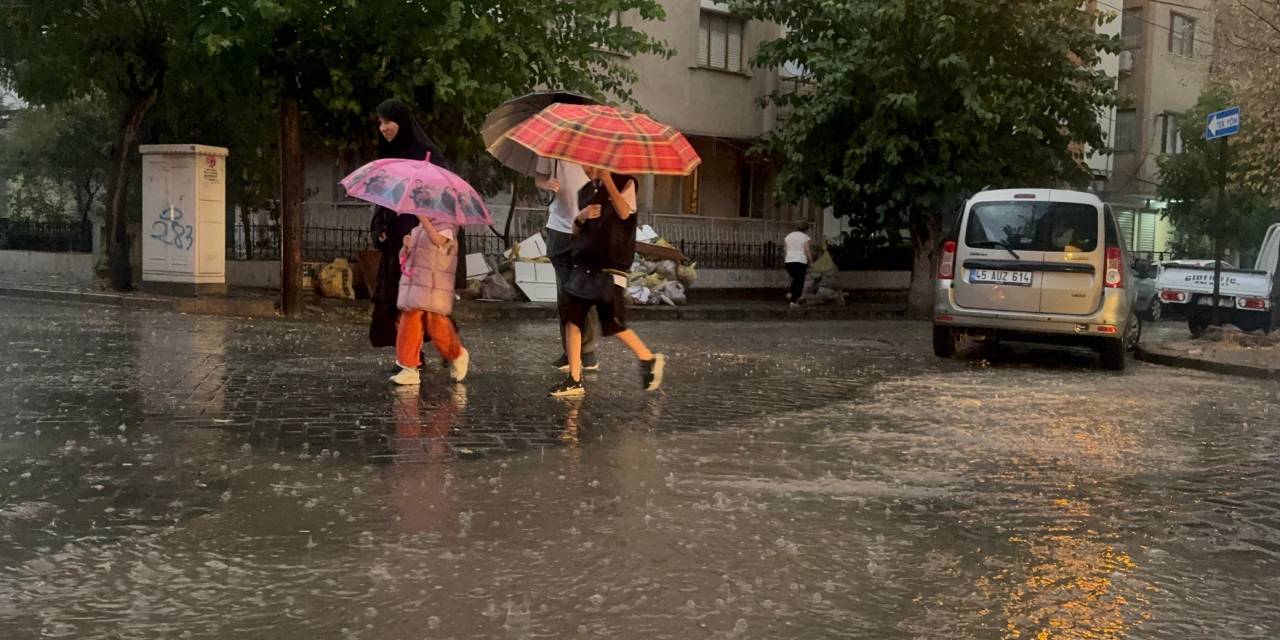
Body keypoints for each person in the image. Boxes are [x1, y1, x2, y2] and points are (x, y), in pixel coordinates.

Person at [549, 167, 665, 398]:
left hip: (610, 266)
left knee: (612, 323)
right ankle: (574, 378)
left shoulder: (626, 182)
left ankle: (648, 358)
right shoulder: (585, 191)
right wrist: (581, 217)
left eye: (593, 164)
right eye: (584, 164)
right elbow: (575, 231)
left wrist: (609, 181)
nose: (587, 168)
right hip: (584, 264)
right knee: (572, 317)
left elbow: (624, 212)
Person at [369, 98, 450, 353]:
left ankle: (444, 350)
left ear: (401, 122)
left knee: (417, 302)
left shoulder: (424, 153)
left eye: (388, 121)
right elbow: (386, 195)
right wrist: (382, 223)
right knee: (397, 298)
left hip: (419, 234)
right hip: (396, 237)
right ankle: (411, 355)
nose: (383, 128)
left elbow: (438, 197)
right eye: (380, 122)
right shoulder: (389, 153)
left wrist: (419, 228)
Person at [535, 158, 600, 373]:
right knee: (564, 294)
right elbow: (539, 178)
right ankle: (569, 351)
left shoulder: (594, 144)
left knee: (583, 293)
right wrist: (546, 184)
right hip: (559, 229)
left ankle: (588, 350)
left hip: (587, 231)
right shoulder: (550, 148)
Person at [390, 214, 470, 386]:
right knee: (409, 323)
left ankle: (457, 354)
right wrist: (405, 247)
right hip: (416, 284)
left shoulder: (447, 225)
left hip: (435, 285)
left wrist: (424, 219)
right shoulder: (418, 228)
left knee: (436, 324)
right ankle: (409, 367)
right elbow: (406, 257)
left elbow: (438, 240)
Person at [783, 222, 814, 307]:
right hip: (800, 261)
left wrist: (788, 258)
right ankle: (793, 301)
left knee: (795, 279)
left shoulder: (788, 236)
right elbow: (807, 250)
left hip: (789, 261)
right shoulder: (805, 237)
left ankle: (790, 293)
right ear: (806, 230)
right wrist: (811, 262)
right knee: (799, 281)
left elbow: (785, 249)